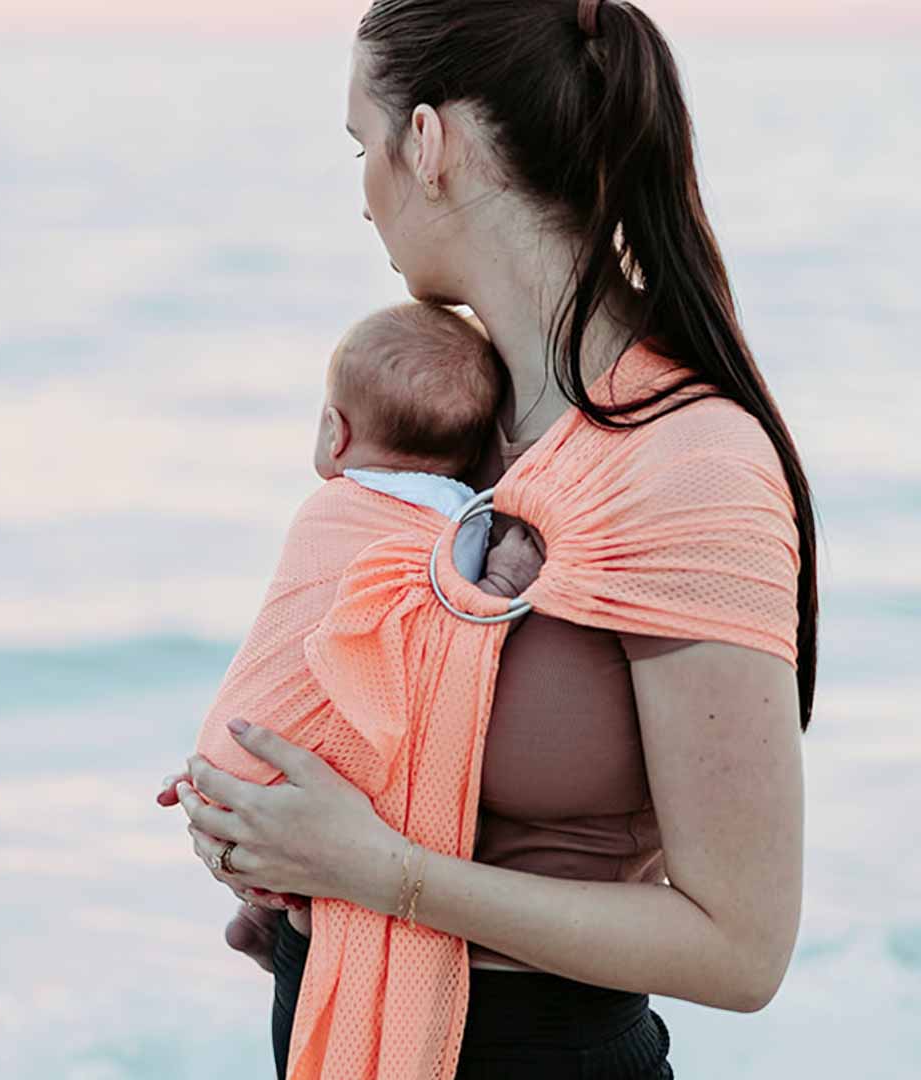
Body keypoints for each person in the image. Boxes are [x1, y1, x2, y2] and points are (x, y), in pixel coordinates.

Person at [158, 1, 818, 1077]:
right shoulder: (453, 427)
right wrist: (267, 825)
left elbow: (741, 948)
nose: (363, 198)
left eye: (359, 146)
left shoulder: (686, 465)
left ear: (428, 145)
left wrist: (377, 872)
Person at [160, 299, 543, 968]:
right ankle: (267, 912)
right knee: (366, 721)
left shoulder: (326, 508)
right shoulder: (458, 528)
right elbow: (456, 628)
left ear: (334, 432)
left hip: (229, 750)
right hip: (300, 784)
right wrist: (506, 585)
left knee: (309, 689)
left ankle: (258, 916)